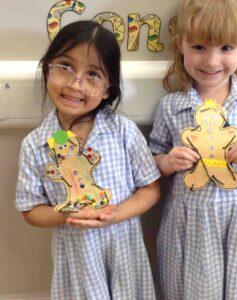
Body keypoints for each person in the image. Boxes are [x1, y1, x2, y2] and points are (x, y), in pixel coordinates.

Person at [149, 0, 237, 299]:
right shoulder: (172, 106)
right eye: (199, 47)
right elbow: (154, 160)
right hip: (190, 224)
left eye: (226, 48)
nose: (212, 61)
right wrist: (168, 161)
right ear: (181, 45)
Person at [15, 20, 160, 300]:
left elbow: (151, 189)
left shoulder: (123, 131)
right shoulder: (35, 145)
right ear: (47, 68)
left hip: (124, 252)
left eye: (92, 74)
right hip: (77, 259)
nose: (75, 83)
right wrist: (66, 214)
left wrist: (116, 213)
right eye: (65, 67)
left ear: (108, 88)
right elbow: (30, 210)